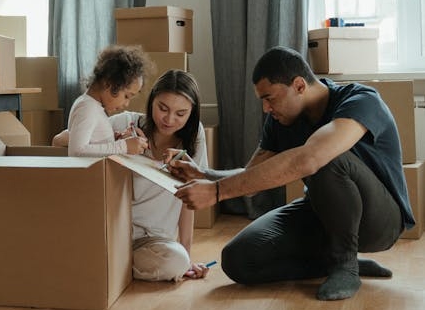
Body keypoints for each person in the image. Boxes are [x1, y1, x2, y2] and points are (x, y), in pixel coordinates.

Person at [171, 46, 414, 300]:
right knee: (238, 260)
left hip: (380, 222)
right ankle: (333, 262)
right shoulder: (280, 120)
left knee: (325, 157)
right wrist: (204, 175)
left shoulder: (361, 100)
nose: (266, 108)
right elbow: (252, 177)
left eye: (270, 98)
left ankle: (345, 264)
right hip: (322, 213)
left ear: (299, 85)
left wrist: (217, 192)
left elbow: (312, 158)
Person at [55, 69, 212, 281]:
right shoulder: (125, 123)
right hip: (113, 232)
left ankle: (107, 265)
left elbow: (189, 198)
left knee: (177, 262)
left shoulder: (195, 138)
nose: (169, 119)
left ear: (192, 113)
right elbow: (59, 140)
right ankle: (109, 263)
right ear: (151, 101)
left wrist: (187, 255)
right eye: (162, 108)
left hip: (154, 241)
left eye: (181, 114)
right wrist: (117, 144)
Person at [66, 45, 151, 157]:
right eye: (126, 96)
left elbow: (93, 145)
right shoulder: (87, 108)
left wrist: (113, 141)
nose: (126, 104)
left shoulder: (93, 107)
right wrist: (123, 146)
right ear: (109, 83)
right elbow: (77, 151)